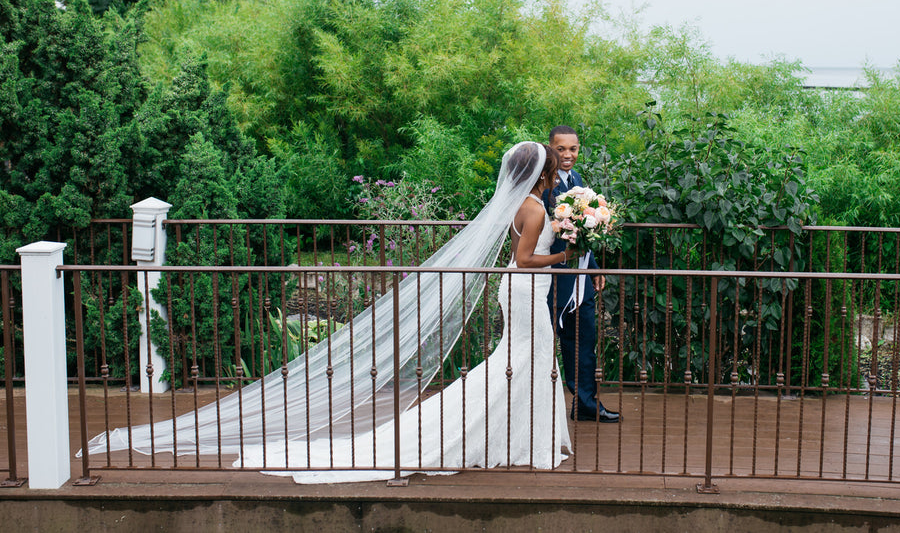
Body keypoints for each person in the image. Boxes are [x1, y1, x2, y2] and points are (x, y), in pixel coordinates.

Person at [85, 141, 573, 483]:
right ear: (541, 173)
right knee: (526, 361)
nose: (554, 170)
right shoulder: (532, 209)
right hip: (527, 288)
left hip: (519, 291)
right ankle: (517, 439)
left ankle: (520, 437)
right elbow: (528, 259)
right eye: (552, 165)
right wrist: (564, 256)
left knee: (522, 363)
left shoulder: (520, 204)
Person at [542, 125, 621, 423]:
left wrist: (595, 267)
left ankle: (585, 404)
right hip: (551, 277)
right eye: (560, 149)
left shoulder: (578, 182)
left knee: (585, 340)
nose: (567, 155)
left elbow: (587, 231)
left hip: (581, 277)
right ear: (550, 148)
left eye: (572, 149)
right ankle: (530, 407)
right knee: (541, 341)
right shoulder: (542, 183)